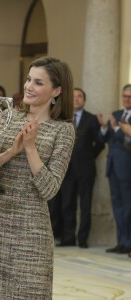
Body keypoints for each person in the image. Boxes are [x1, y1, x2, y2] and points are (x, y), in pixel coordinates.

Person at [0, 56, 75, 299]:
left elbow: (50, 189)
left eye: (38, 82)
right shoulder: (8, 117)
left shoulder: (63, 130)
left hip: (32, 229)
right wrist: (11, 151)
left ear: (56, 90)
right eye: (29, 79)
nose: (28, 86)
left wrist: (29, 148)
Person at [57, 87, 105, 248]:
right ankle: (68, 237)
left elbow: (99, 142)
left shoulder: (92, 119)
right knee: (67, 204)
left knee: (85, 205)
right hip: (67, 169)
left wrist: (90, 156)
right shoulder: (63, 119)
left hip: (85, 169)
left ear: (84, 100)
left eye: (79, 97)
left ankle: (82, 239)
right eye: (74, 96)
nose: (76, 99)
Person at [97, 84, 131, 255]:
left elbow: (126, 140)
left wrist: (119, 129)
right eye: (124, 96)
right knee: (117, 206)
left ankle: (129, 243)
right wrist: (104, 127)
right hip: (112, 167)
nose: (126, 99)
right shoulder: (116, 115)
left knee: (128, 206)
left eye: (129, 97)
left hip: (127, 167)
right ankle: (121, 242)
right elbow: (105, 139)